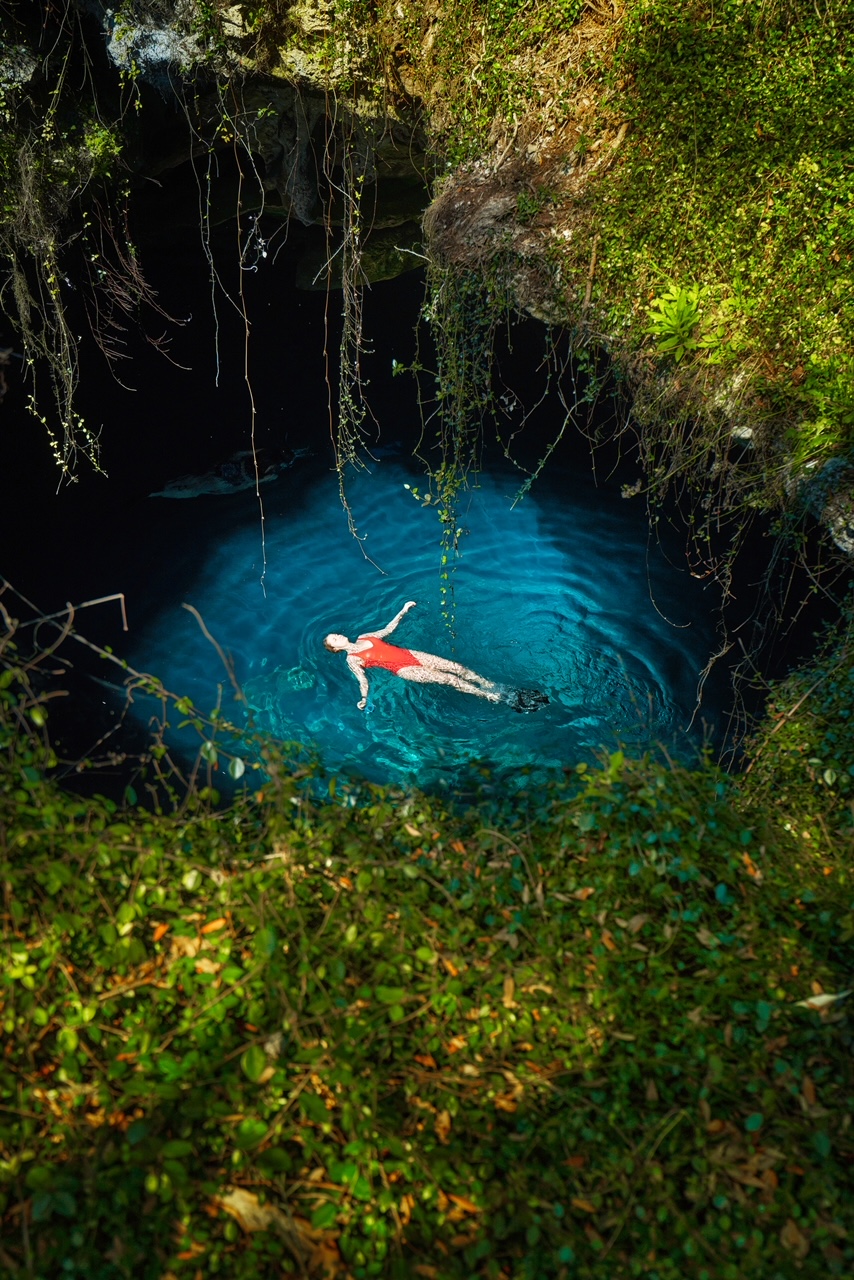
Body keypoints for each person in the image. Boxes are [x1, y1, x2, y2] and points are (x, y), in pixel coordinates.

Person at [324, 601, 548, 712]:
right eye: (334, 639)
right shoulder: (352, 660)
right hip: (404, 669)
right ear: (336, 649)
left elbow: (387, 630)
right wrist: (364, 698)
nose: (338, 636)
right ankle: (495, 697)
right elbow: (362, 681)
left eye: (335, 634)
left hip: (411, 655)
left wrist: (403, 610)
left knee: (456, 667)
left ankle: (494, 686)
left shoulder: (365, 635)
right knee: (452, 680)